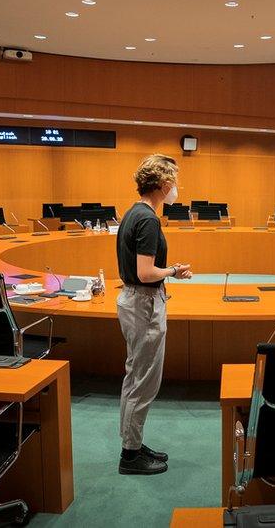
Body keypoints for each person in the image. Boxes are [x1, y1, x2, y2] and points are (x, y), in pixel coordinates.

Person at [116, 154, 192, 475]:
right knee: (144, 380)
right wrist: (174, 270)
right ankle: (130, 456)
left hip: (135, 301)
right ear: (162, 185)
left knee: (136, 376)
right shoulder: (148, 220)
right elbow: (146, 272)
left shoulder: (133, 213)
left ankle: (133, 442)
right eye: (173, 181)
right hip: (144, 303)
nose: (175, 188)